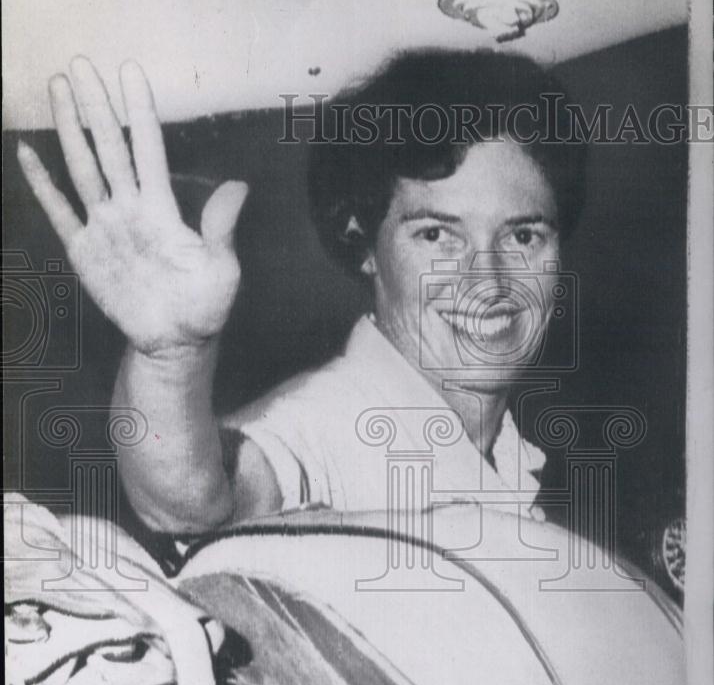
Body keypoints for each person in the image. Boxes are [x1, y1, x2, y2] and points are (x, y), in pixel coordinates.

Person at [18, 49, 586, 534]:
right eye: (437, 234)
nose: (487, 281)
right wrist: (171, 358)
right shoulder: (325, 425)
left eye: (523, 234)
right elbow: (193, 501)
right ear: (362, 243)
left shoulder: (515, 456)